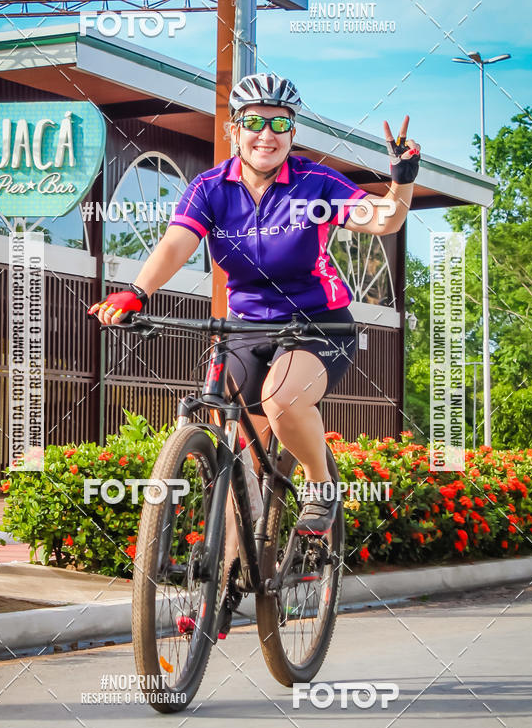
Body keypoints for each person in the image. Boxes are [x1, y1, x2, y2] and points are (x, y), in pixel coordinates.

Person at [88, 72, 420, 536]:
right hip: (247, 325)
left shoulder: (314, 182)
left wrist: (400, 182)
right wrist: (138, 292)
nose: (267, 134)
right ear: (234, 129)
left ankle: (320, 485)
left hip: (317, 322)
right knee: (239, 461)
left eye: (280, 124)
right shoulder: (210, 188)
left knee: (281, 402)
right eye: (255, 122)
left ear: (293, 132)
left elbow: (382, 221)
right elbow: (175, 244)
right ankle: (221, 589)